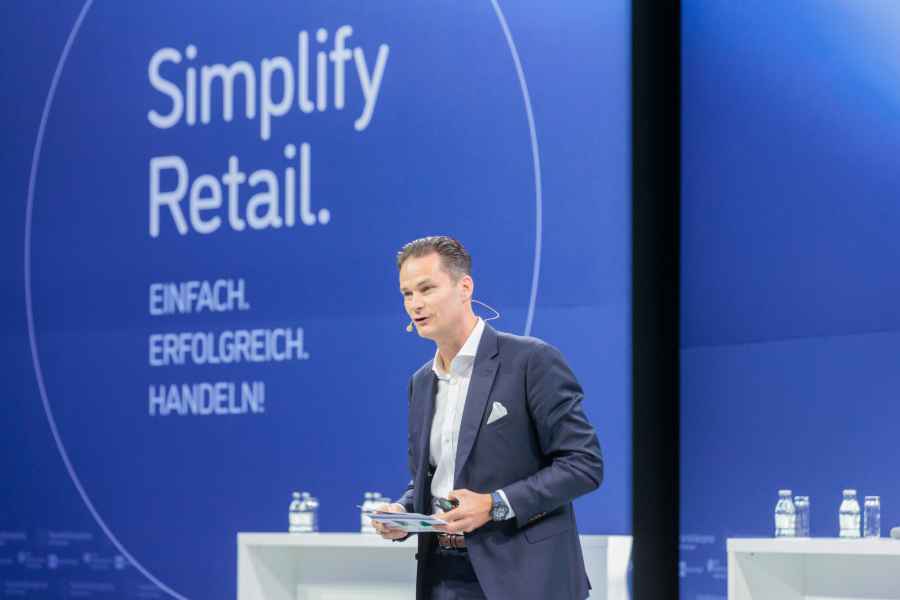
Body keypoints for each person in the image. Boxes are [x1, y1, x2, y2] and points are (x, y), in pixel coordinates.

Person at [374, 235, 604, 600]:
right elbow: (434, 478)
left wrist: (495, 504)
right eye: (407, 294)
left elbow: (584, 464)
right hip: (443, 576)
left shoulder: (530, 361)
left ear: (464, 287)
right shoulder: (422, 382)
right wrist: (403, 512)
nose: (415, 304)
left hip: (524, 578)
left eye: (427, 289)